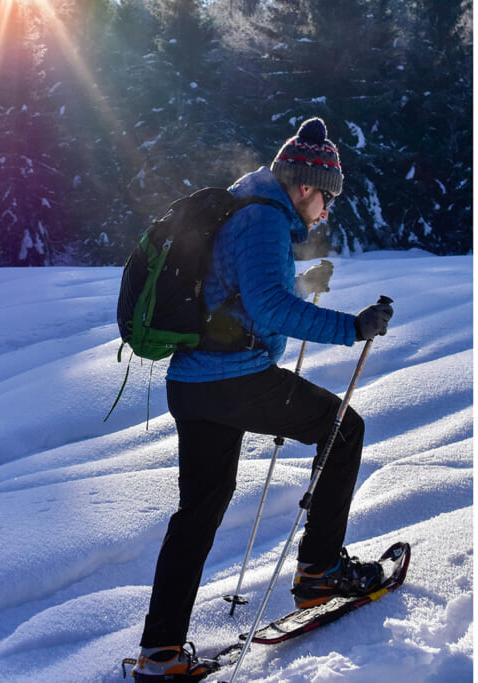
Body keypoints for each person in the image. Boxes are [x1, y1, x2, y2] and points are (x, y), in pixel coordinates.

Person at [130, 117, 394, 681]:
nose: (325, 211)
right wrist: (353, 326)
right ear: (304, 186)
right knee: (343, 430)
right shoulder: (264, 220)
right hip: (234, 379)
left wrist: (301, 286)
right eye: (325, 197)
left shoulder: (242, 204)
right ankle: (320, 572)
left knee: (198, 511)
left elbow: (243, 294)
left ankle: (160, 653)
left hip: (195, 383)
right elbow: (270, 310)